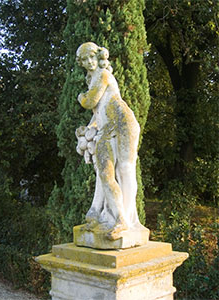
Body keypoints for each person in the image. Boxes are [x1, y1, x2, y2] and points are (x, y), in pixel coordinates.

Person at [76, 42, 141, 240]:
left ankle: (127, 220)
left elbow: (90, 101)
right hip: (107, 128)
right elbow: (98, 112)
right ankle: (105, 214)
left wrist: (81, 97)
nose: (89, 62)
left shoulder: (103, 75)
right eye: (84, 60)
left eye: (91, 58)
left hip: (123, 123)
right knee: (104, 171)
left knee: (125, 169)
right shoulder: (93, 78)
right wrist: (87, 129)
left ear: (98, 57)